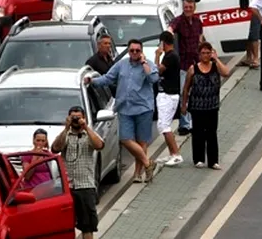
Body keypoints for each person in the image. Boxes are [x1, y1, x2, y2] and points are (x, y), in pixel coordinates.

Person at [84, 39, 158, 183]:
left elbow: (153, 78)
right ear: (128, 51)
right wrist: (92, 81)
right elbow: (108, 78)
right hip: (125, 107)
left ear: (141, 52)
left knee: (141, 141)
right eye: (132, 50)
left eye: (137, 50)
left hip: (143, 108)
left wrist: (144, 63)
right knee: (125, 139)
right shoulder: (122, 64)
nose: (134, 53)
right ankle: (148, 163)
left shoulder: (148, 64)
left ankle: (137, 174)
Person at [51, 106, 105, 239]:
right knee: (65, 225)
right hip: (67, 187)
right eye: (73, 117)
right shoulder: (66, 135)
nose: (76, 120)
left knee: (87, 226)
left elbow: (99, 145)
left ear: (84, 118)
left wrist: (85, 127)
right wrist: (66, 128)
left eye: (78, 117)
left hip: (85, 186)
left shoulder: (89, 135)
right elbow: (55, 148)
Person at [181, 42, 231, 169]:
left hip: (212, 106)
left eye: (208, 53)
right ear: (199, 54)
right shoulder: (193, 69)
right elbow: (186, 88)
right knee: (198, 133)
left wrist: (216, 59)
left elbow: (226, 73)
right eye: (203, 53)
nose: (206, 55)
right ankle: (198, 159)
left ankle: (213, 161)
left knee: (211, 133)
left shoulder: (215, 67)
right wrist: (184, 105)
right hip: (197, 107)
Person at [167, 0, 204, 135]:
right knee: (184, 92)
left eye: (190, 7)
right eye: (185, 7)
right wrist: (169, 33)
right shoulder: (179, 21)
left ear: (194, 8)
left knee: (196, 93)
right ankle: (184, 124)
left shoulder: (198, 22)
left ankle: (194, 122)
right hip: (183, 63)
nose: (187, 9)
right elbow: (172, 26)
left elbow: (200, 39)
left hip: (195, 62)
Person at [154, 31, 184, 167]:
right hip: (167, 95)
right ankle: (172, 153)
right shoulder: (171, 55)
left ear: (163, 43)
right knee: (164, 125)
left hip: (169, 95)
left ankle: (176, 154)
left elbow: (158, 71)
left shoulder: (170, 56)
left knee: (164, 125)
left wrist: (157, 56)